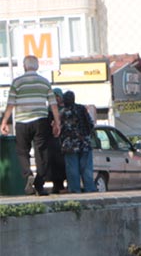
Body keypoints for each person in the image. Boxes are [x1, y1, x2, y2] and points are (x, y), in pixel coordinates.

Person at [0, 55, 62, 195]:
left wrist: (4, 122)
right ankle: (39, 185)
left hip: (22, 122)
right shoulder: (44, 82)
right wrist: (57, 123)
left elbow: (11, 104)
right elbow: (53, 105)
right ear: (37, 66)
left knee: (22, 151)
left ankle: (28, 174)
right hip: (40, 121)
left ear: (24, 66)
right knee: (41, 153)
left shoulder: (17, 82)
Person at [58, 90, 96, 193]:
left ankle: (75, 190)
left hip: (69, 144)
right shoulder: (82, 109)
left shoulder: (62, 113)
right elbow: (90, 124)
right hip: (85, 143)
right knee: (87, 168)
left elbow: (59, 129)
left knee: (72, 169)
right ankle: (90, 189)